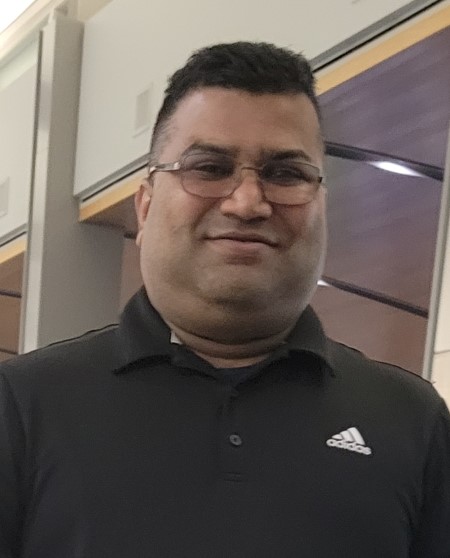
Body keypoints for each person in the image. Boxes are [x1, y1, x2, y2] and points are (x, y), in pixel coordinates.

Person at [0, 42, 449, 558]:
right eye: (210, 167)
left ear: (322, 205)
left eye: (286, 174)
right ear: (145, 207)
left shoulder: (412, 422)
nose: (248, 202)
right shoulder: (21, 407)